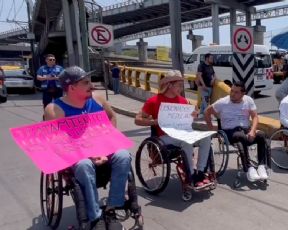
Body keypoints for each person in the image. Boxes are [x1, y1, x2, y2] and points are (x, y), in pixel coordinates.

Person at [44, 66, 131, 230]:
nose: (91, 86)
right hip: (76, 153)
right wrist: (90, 155)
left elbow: (111, 116)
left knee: (124, 155)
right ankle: (94, 216)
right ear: (71, 87)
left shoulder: (98, 100)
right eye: (85, 83)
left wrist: (108, 144)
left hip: (102, 147)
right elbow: (58, 142)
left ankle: (112, 207)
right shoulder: (55, 109)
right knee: (84, 165)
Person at [135, 70, 212, 188]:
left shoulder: (183, 101)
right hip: (164, 137)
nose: (181, 89)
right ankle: (190, 174)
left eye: (182, 86)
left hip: (182, 132)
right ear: (169, 85)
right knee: (186, 141)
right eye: (179, 86)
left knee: (206, 137)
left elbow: (189, 118)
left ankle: (200, 172)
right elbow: (137, 120)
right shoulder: (154, 101)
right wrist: (154, 121)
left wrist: (194, 114)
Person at [204, 81, 269, 182]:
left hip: (245, 129)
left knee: (261, 135)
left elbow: (255, 117)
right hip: (229, 131)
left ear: (243, 94)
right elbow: (207, 112)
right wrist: (211, 128)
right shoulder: (223, 102)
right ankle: (248, 168)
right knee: (241, 136)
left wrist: (252, 131)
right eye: (232, 91)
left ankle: (261, 165)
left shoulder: (248, 100)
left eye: (236, 92)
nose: (232, 94)